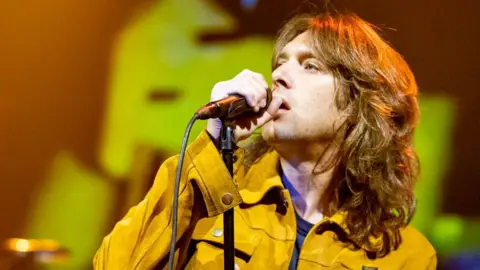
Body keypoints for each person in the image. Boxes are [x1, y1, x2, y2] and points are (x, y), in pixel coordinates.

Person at [94, 11, 436, 269]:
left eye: (310, 66)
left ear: (358, 105)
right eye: (280, 63)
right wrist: (212, 143)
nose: (279, 75)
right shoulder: (212, 196)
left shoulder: (405, 255)